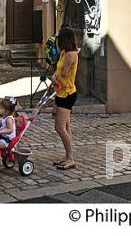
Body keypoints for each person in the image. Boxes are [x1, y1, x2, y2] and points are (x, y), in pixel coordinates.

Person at [51, 27, 78, 170]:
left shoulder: (71, 54)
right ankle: (67, 156)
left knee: (59, 127)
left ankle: (70, 158)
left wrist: (55, 79)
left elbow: (65, 74)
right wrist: (54, 76)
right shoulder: (64, 53)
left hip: (67, 94)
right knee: (66, 127)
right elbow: (58, 70)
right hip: (61, 92)